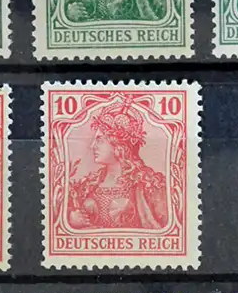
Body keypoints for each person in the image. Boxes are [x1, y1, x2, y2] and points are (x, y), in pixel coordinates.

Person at [66, 95, 170, 232]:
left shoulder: (149, 185)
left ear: (119, 146)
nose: (92, 146)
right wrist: (72, 220)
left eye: (100, 140)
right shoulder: (88, 185)